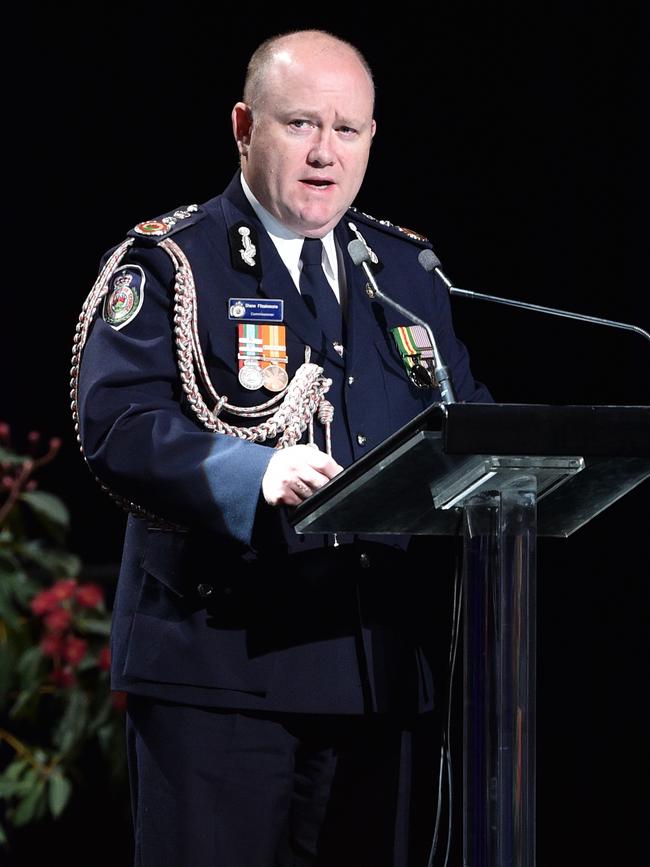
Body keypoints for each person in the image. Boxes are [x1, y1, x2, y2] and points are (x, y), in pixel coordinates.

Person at [73, 29, 491, 867]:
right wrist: (253, 469)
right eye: (301, 124)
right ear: (243, 127)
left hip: (374, 670)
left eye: (349, 129)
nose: (325, 153)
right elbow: (118, 424)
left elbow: (467, 425)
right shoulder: (170, 262)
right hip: (219, 668)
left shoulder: (404, 272)